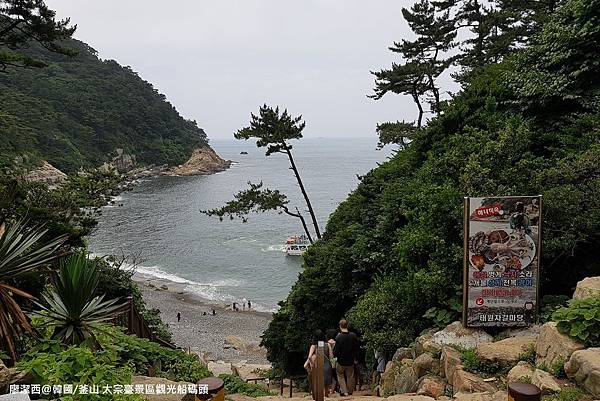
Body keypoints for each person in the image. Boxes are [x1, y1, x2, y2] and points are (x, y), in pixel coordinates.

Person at [303, 329, 333, 397]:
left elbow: (310, 357)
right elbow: (331, 356)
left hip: (318, 366)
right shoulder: (327, 344)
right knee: (326, 384)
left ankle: (317, 396)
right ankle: (326, 395)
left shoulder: (313, 346)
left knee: (318, 383)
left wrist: (313, 364)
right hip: (327, 365)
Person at [333, 319, 358, 396]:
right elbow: (356, 348)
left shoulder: (338, 337)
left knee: (340, 375)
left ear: (340, 326)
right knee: (350, 376)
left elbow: (336, 351)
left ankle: (344, 391)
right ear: (347, 325)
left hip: (341, 361)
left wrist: (335, 356)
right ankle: (350, 391)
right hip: (350, 360)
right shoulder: (353, 336)